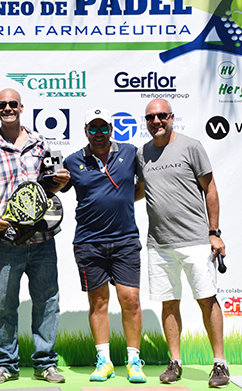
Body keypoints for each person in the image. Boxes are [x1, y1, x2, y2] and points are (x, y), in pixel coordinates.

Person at [0, 88, 70, 385]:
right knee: (5, 304)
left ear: (21, 107)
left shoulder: (40, 142)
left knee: (48, 301)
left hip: (42, 239)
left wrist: (61, 182)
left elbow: (51, 185)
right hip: (5, 240)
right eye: (3, 105)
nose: (8, 108)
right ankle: (6, 364)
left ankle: (45, 363)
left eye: (13, 104)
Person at [136, 98, 229, 388]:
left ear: (172, 117)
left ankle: (220, 364)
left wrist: (214, 232)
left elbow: (210, 188)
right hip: (159, 244)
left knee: (206, 300)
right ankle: (174, 362)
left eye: (161, 115)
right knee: (169, 303)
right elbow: (140, 191)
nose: (156, 121)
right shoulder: (142, 154)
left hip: (194, 240)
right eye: (151, 117)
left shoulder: (191, 146)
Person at [60, 108, 146, 383]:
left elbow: (141, 186)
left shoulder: (130, 153)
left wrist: (119, 200)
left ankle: (134, 360)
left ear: (111, 128)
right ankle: (104, 361)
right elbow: (56, 188)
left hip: (125, 241)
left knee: (130, 300)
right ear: (86, 131)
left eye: (103, 128)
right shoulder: (73, 161)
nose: (98, 134)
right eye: (92, 129)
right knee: (98, 302)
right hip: (88, 243)